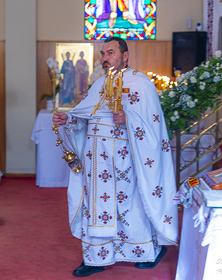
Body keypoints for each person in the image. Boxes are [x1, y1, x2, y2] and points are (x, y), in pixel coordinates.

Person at [52, 37, 178, 277]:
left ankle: (145, 250)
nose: (105, 58)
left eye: (110, 53)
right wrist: (69, 119)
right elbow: (86, 115)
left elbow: (154, 126)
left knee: (129, 203)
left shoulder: (141, 84)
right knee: (95, 205)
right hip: (96, 159)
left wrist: (128, 119)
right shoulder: (99, 83)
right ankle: (95, 258)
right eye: (102, 54)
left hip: (126, 158)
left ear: (125, 56)